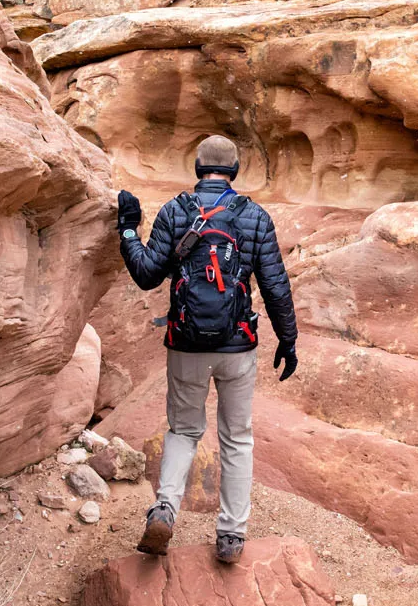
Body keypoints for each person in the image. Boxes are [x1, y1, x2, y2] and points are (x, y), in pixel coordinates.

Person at [115, 134, 298, 564]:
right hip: (238, 347)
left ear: (197, 168)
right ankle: (231, 536)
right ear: (235, 172)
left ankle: (165, 509)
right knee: (237, 439)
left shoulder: (176, 211)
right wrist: (288, 340)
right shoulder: (254, 217)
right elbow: (274, 285)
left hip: (185, 343)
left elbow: (146, 274)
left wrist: (127, 228)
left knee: (183, 430)